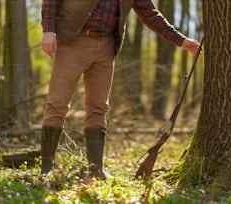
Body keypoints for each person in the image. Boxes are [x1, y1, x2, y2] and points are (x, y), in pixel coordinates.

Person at [40, 0, 201, 179]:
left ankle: (96, 169)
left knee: (98, 108)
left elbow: (150, 14)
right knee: (57, 104)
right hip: (72, 40)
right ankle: (47, 168)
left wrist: (181, 41)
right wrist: (48, 30)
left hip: (106, 45)